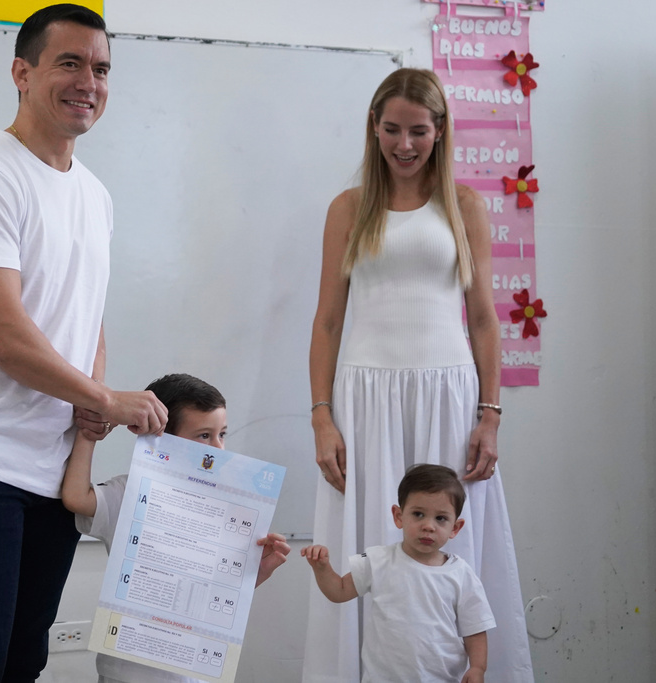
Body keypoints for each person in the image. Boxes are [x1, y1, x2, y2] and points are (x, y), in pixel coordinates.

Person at [0, 5, 169, 682]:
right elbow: (0, 334)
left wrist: (91, 409)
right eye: (70, 63)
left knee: (24, 661)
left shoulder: (94, 195)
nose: (89, 82)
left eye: (101, 69)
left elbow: (87, 319)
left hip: (51, 471)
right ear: (22, 73)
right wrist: (105, 399)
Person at [303, 68, 532, 683]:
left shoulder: (465, 206)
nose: (404, 145)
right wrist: (322, 417)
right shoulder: (348, 208)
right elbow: (327, 322)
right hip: (363, 398)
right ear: (374, 128)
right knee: (368, 546)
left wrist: (491, 414)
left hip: (448, 395)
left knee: (447, 544)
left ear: (440, 130)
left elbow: (483, 320)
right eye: (392, 130)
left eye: (418, 132)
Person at [61, 373, 292, 683]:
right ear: (161, 436)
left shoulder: (229, 511)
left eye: (222, 434)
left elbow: (215, 596)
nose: (218, 448)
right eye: (204, 436)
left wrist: (256, 572)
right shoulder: (130, 492)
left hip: (194, 670)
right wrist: (90, 431)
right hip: (128, 672)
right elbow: (76, 497)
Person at [303, 465, 494, 683]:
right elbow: (339, 591)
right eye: (418, 514)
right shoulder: (377, 560)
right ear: (398, 516)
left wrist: (478, 667)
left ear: (455, 528)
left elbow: (475, 627)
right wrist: (322, 568)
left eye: (440, 518)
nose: (428, 526)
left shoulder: (461, 574)